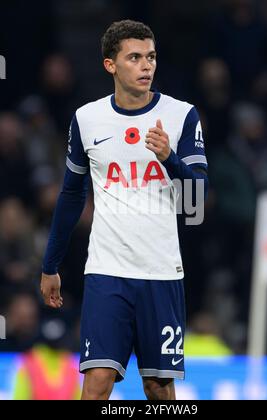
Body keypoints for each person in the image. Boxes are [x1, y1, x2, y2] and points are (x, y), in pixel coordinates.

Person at [41, 19, 208, 400]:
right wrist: (50, 264)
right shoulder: (87, 119)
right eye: (134, 57)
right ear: (110, 64)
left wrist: (169, 157)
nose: (146, 65)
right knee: (96, 382)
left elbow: (197, 198)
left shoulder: (182, 116)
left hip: (161, 271)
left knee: (158, 387)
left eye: (150, 57)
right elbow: (70, 195)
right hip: (106, 271)